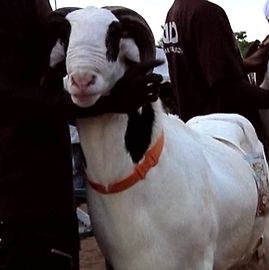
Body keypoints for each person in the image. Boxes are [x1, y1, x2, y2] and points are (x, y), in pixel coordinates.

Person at [0, 1, 161, 269]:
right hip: (21, 206)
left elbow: (39, 80)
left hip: (43, 196)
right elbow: (5, 96)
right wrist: (111, 102)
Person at [163, 0, 269, 139]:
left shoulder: (174, 13)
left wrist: (244, 65)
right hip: (226, 136)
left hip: (197, 131)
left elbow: (203, 71)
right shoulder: (207, 13)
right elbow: (228, 90)